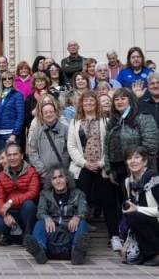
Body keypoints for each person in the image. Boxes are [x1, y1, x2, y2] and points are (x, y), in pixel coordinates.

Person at [67, 90, 121, 251]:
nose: (89, 104)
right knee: (80, 202)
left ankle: (114, 236)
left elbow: (109, 144)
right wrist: (84, 163)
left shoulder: (104, 120)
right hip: (83, 167)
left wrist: (101, 162)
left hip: (102, 167)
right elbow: (71, 146)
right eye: (86, 101)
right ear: (81, 104)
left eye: (92, 101)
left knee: (109, 202)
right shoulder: (75, 122)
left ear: (96, 103)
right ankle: (77, 236)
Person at [24, 167, 90, 265]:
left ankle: (77, 254)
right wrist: (46, 218)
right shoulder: (45, 194)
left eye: (61, 177)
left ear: (67, 179)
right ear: (50, 182)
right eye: (54, 178)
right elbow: (40, 211)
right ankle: (40, 251)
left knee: (83, 223)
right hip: (52, 233)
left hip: (70, 234)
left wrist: (78, 217)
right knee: (40, 223)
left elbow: (84, 210)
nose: (58, 181)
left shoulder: (78, 194)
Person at [104, 88, 159, 186]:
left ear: (130, 100)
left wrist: (138, 164)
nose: (119, 102)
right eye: (116, 99)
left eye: (123, 98)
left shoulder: (143, 117)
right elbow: (106, 145)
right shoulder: (112, 121)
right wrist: (109, 169)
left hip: (140, 169)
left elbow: (151, 147)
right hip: (119, 170)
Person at [0, 142, 40, 246]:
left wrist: (11, 201)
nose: (12, 158)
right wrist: (5, 214)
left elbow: (33, 193)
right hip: (10, 211)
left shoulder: (31, 171)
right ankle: (11, 237)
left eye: (15, 154)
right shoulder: (1, 175)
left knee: (29, 205)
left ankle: (28, 237)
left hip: (25, 211)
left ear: (22, 155)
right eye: (9, 155)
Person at [121, 147, 159, 266]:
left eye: (137, 157)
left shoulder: (155, 180)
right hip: (145, 226)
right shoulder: (128, 182)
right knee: (131, 216)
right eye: (129, 158)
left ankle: (155, 253)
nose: (133, 161)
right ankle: (146, 253)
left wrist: (137, 209)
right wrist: (127, 242)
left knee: (134, 215)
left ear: (145, 161)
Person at [0, 72, 24, 164]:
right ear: (1, 81)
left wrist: (14, 134)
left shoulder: (18, 95)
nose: (7, 80)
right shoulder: (1, 95)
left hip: (11, 135)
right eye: (4, 79)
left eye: (9, 78)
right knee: (3, 163)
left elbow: (20, 117)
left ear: (13, 80)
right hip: (0, 136)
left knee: (14, 163)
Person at [28, 102, 70, 177]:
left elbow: (70, 150)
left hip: (62, 175)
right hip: (44, 176)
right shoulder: (37, 132)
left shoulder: (65, 129)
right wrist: (42, 170)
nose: (49, 114)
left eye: (51, 112)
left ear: (56, 113)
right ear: (42, 115)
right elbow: (32, 152)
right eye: (46, 112)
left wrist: (64, 169)